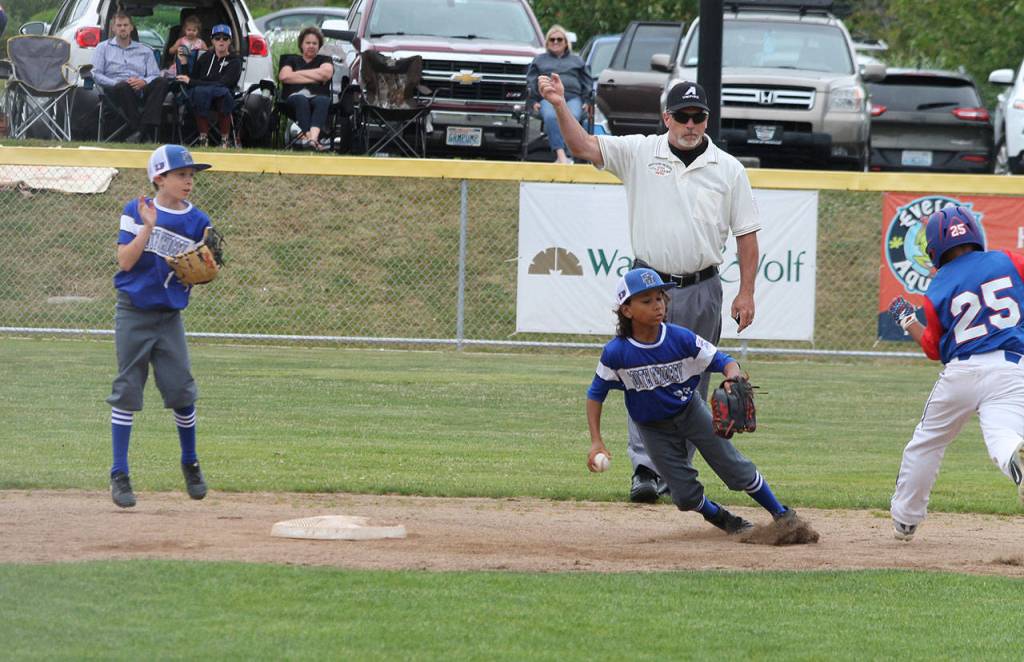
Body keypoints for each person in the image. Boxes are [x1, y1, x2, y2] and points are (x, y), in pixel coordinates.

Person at [538, 75, 760, 504]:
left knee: (692, 384)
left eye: (698, 116)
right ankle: (644, 469)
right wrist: (560, 105)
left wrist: (746, 291)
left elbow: (747, 236)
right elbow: (584, 146)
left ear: (707, 120)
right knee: (640, 377)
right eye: (683, 116)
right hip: (648, 285)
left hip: (702, 287)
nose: (691, 124)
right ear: (666, 118)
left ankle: (675, 472)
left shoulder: (728, 169)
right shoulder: (641, 152)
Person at [586, 268, 793, 534]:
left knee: (735, 467)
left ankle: (782, 513)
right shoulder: (617, 353)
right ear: (626, 310)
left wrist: (732, 378)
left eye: (660, 298)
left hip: (690, 411)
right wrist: (596, 441)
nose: (657, 305)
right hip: (651, 428)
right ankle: (720, 517)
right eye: (646, 301)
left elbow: (725, 361)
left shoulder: (680, 338)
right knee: (683, 496)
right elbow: (595, 394)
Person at [888, 206, 1024, 541]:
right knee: (1002, 434)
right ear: (975, 235)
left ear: (933, 249)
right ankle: (1013, 456)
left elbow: (935, 349)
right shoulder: (1010, 260)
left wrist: (909, 321)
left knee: (928, 442)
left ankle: (906, 520)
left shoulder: (937, 289)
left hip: (962, 371)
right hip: (1011, 366)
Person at [106, 144, 216, 508]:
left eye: (190, 176)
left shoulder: (198, 220)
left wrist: (206, 270)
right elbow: (124, 262)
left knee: (182, 391)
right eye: (181, 175)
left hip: (169, 317)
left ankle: (191, 462)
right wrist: (148, 228)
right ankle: (119, 473)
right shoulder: (136, 210)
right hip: (134, 312)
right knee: (127, 389)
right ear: (159, 178)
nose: (188, 181)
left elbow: (206, 269)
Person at [91, 11, 172, 143]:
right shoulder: (102, 48)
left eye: (125, 25)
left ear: (131, 27)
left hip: (140, 90)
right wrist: (116, 82)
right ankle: (143, 131)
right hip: (117, 90)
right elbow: (96, 74)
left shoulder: (145, 50)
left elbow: (154, 74)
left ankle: (140, 131)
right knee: (122, 86)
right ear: (113, 28)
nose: (122, 28)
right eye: (119, 25)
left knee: (161, 82)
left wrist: (143, 81)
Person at [526, 25, 592, 164]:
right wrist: (533, 101)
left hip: (573, 97)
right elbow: (531, 82)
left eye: (559, 39)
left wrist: (587, 100)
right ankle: (561, 155)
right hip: (548, 97)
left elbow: (587, 81)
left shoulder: (577, 60)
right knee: (550, 116)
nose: (555, 42)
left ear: (566, 42)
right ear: (547, 42)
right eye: (552, 39)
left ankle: (570, 155)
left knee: (573, 117)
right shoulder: (539, 60)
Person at [176, 24, 241, 148]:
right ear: (212, 41)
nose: (221, 41)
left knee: (222, 93)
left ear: (230, 41)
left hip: (222, 95)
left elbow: (223, 83)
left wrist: (193, 82)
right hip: (202, 95)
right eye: (217, 38)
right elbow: (191, 78)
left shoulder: (235, 61)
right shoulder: (205, 57)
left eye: (225, 38)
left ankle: (225, 140)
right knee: (199, 92)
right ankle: (203, 139)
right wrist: (184, 63)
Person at [278, 26, 334, 151]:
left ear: (319, 46)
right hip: (294, 97)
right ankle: (312, 140)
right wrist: (316, 77)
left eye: (315, 43)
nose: (311, 46)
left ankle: (312, 140)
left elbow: (326, 74)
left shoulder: (325, 59)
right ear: (301, 44)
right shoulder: (291, 59)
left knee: (323, 101)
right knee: (301, 99)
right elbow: (285, 76)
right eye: (307, 43)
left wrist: (296, 74)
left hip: (318, 97)